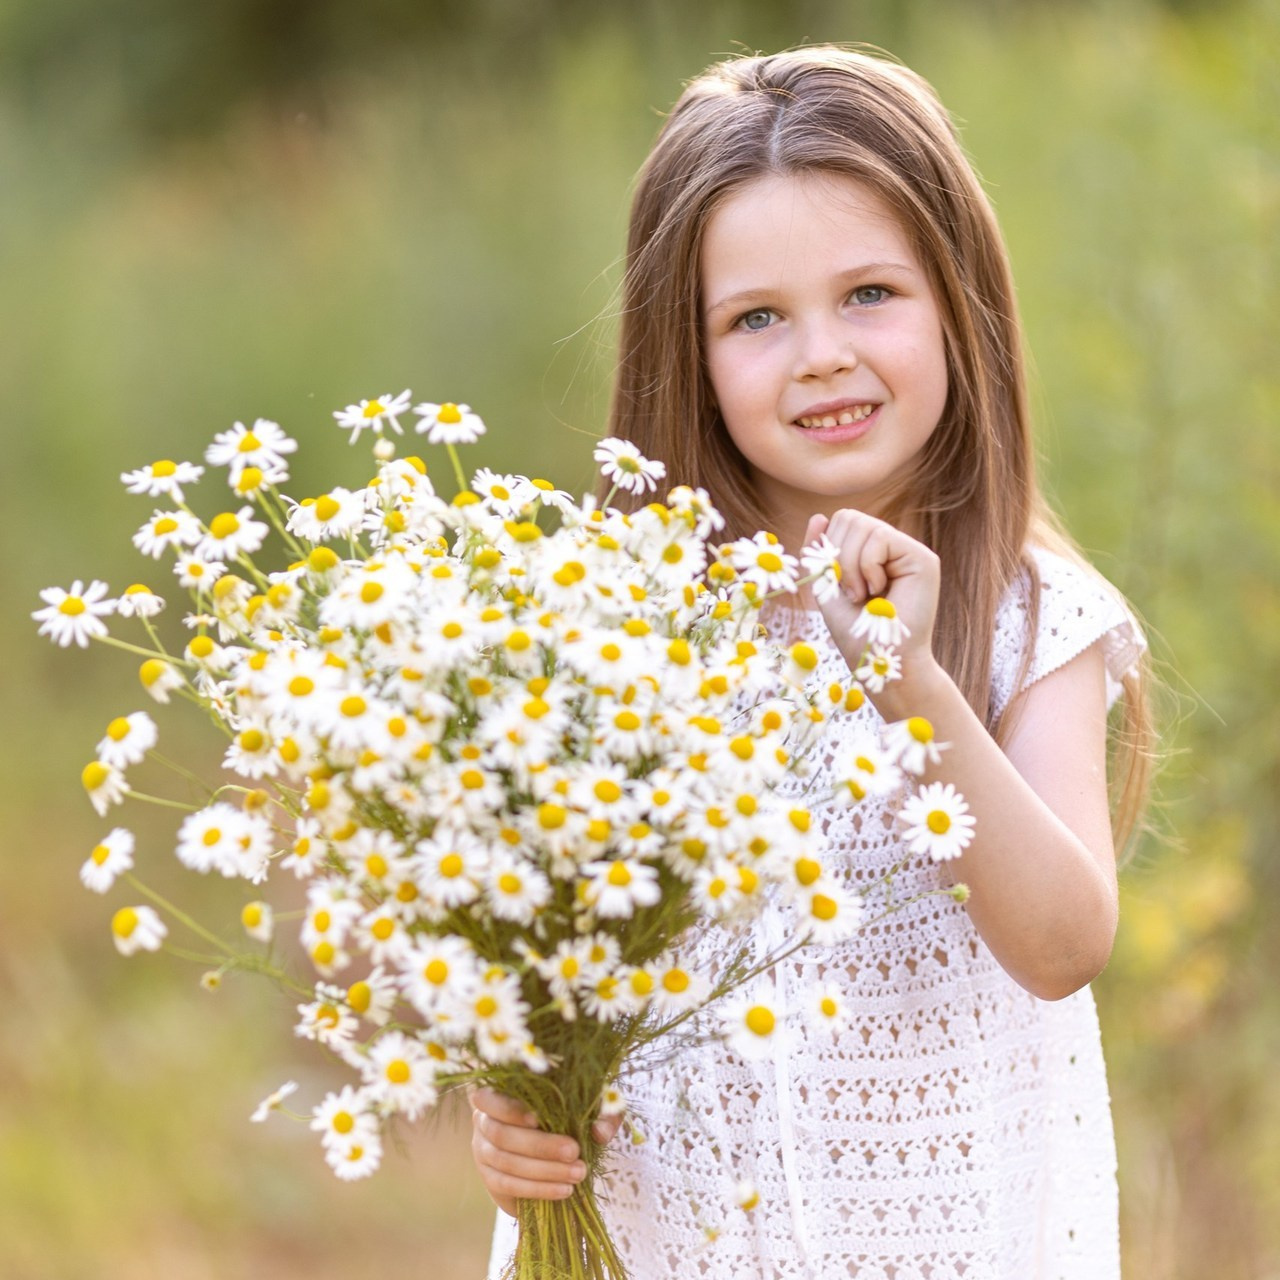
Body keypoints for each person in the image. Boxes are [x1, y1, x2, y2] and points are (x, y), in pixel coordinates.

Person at [471, 45, 1152, 1279]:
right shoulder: (616, 626)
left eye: (870, 294)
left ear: (959, 302)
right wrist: (509, 1106)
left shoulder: (1029, 615)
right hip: (674, 1240)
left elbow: (1061, 944)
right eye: (756, 318)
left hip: (946, 1242)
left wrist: (906, 678)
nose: (821, 354)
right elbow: (537, 964)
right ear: (686, 352)